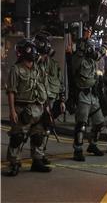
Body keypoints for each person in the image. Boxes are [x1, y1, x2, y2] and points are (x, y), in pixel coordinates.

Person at [4, 39, 51, 176]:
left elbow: (43, 87)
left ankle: (37, 161)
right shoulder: (16, 69)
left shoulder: (37, 68)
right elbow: (11, 91)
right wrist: (12, 110)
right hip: (22, 108)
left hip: (38, 107)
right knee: (17, 137)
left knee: (38, 135)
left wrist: (46, 107)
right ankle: (14, 163)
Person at [71, 36, 107, 161]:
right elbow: (76, 65)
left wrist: (105, 45)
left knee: (99, 122)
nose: (91, 49)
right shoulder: (77, 59)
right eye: (89, 46)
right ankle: (78, 149)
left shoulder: (91, 60)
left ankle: (93, 145)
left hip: (93, 95)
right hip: (82, 95)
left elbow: (99, 55)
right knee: (81, 125)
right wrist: (82, 50)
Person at [34, 32, 66, 164]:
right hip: (36, 101)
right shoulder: (33, 63)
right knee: (32, 131)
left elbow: (59, 82)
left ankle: (39, 155)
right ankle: (19, 160)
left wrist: (62, 100)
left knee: (45, 129)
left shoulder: (53, 64)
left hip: (50, 99)